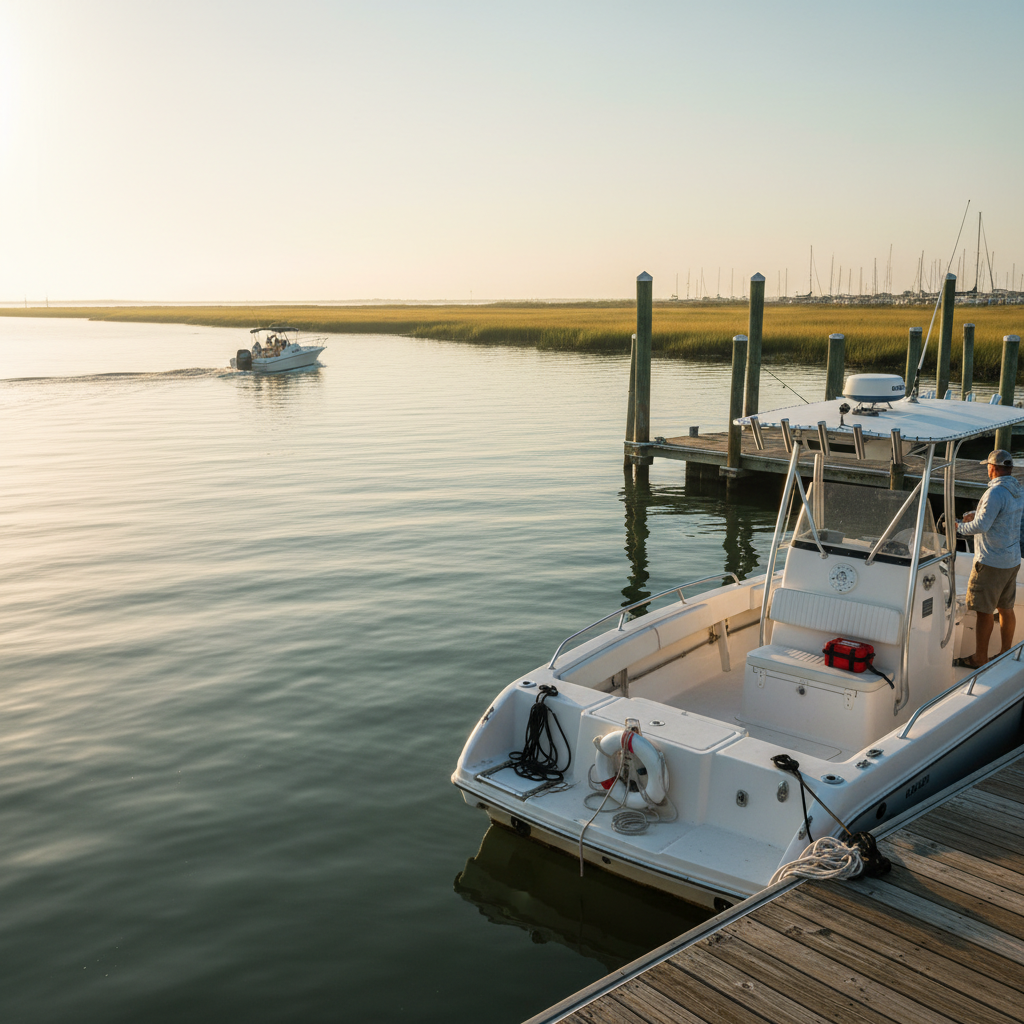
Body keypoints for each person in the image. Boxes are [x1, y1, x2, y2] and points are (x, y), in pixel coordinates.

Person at [955, 449, 1024, 668]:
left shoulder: (995, 493)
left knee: (984, 611)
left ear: (992, 468)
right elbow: (1000, 517)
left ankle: (979, 658)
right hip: (1011, 560)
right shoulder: (1017, 490)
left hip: (991, 561)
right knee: (1006, 608)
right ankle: (1005, 653)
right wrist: (976, 515)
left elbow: (982, 526)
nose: (987, 469)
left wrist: (959, 526)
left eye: (988, 466)